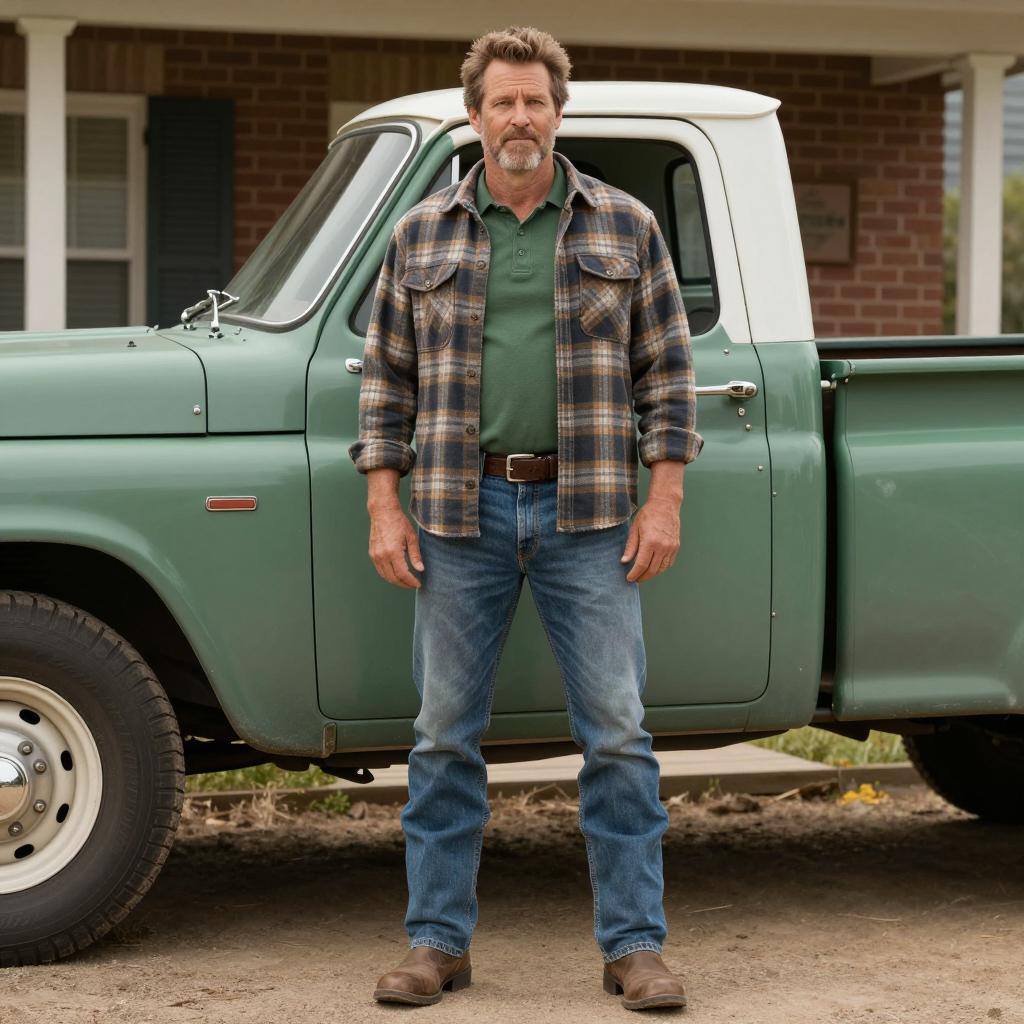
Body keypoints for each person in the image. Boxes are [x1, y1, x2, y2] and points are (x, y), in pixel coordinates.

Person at [347, 24, 704, 1011]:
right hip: (456, 513)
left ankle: (635, 947)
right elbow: (384, 383)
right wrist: (383, 504)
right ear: (474, 117)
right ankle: (436, 943)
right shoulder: (420, 234)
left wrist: (665, 497)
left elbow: (669, 373)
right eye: (501, 101)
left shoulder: (625, 225)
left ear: (558, 113)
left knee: (618, 735)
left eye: (534, 101)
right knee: (441, 738)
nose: (519, 117)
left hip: (588, 512)